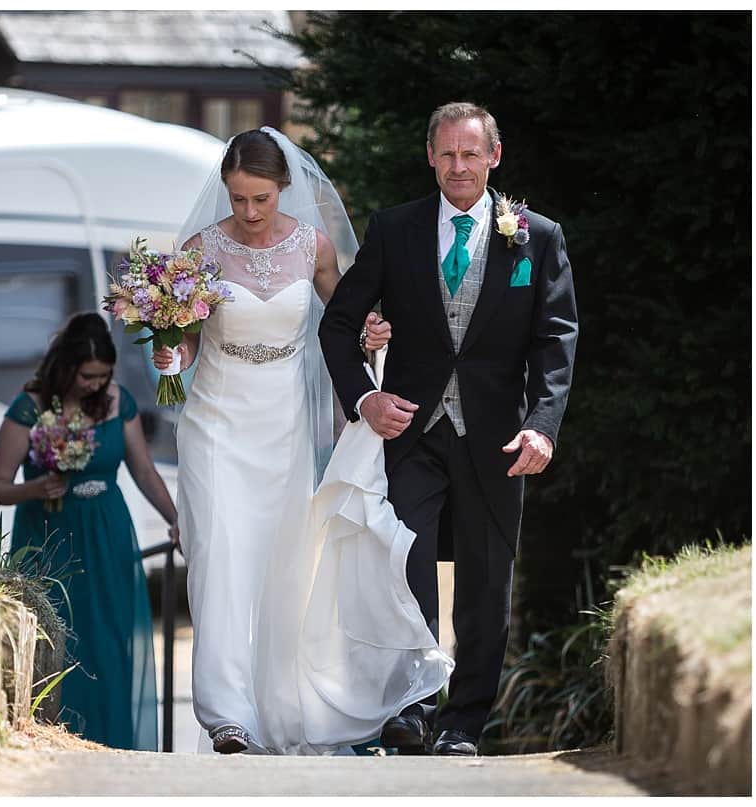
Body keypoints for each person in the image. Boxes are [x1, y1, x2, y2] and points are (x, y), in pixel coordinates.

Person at [154, 127, 452, 755]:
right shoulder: (200, 250)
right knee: (219, 559)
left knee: (278, 562)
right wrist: (170, 356)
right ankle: (225, 715)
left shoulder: (312, 247)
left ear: (281, 189)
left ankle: (276, 704)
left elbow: (342, 321)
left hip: (282, 424)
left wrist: (373, 332)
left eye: (260, 198)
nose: (249, 211)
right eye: (237, 198)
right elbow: (184, 339)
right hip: (214, 419)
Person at [319, 101, 579, 756]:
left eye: (471, 154)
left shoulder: (536, 237)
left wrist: (543, 424)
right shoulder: (395, 229)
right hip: (412, 430)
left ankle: (463, 725)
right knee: (406, 564)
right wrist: (365, 397)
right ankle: (410, 711)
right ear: (431, 157)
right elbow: (338, 324)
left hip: (497, 436)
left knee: (487, 583)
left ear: (493, 157)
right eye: (447, 154)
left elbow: (555, 340)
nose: (459, 166)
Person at [0, 312, 180, 751]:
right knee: (61, 649)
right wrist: (36, 488)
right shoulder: (30, 407)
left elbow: (144, 471)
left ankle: (113, 748)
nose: (96, 384)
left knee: (110, 646)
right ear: (67, 366)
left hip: (108, 536)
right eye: (88, 375)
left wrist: (175, 518)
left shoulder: (118, 401)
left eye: (103, 375)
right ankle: (60, 746)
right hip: (50, 539)